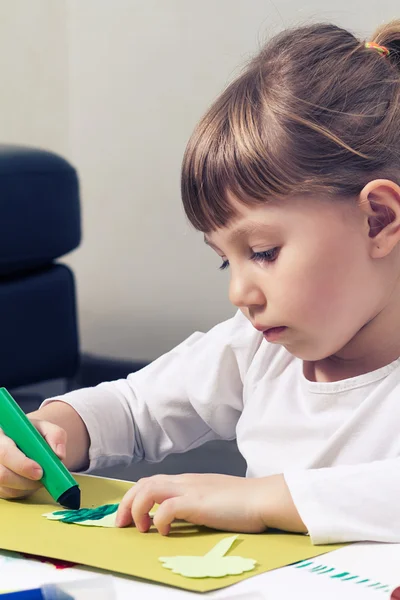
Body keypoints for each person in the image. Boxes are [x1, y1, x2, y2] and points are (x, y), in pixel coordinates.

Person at [1, 20, 400, 545]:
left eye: (263, 253)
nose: (239, 292)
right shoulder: (255, 349)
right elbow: (134, 406)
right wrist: (57, 429)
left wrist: (261, 498)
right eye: (225, 261)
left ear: (376, 219)